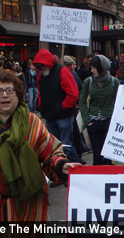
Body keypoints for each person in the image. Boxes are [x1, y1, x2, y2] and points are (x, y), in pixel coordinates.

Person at [0, 71, 82, 222]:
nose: (4, 95)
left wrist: (61, 165)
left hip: (29, 206)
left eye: (9, 90)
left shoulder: (32, 122)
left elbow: (50, 152)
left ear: (18, 95)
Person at [33, 49, 81, 187]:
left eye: (42, 65)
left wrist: (62, 107)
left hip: (63, 116)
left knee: (66, 146)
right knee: (53, 149)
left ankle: (75, 174)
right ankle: (60, 175)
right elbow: (41, 93)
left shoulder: (62, 71)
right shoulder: (41, 75)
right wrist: (41, 106)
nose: (41, 68)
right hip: (51, 116)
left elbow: (73, 93)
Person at [79, 55, 120, 165]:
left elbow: (118, 102)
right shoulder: (89, 81)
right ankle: (97, 179)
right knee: (97, 154)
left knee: (108, 155)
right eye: (91, 67)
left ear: (102, 67)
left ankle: (109, 179)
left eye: (94, 68)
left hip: (108, 122)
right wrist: (88, 121)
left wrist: (115, 120)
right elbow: (81, 102)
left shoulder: (114, 82)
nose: (91, 70)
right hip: (94, 123)